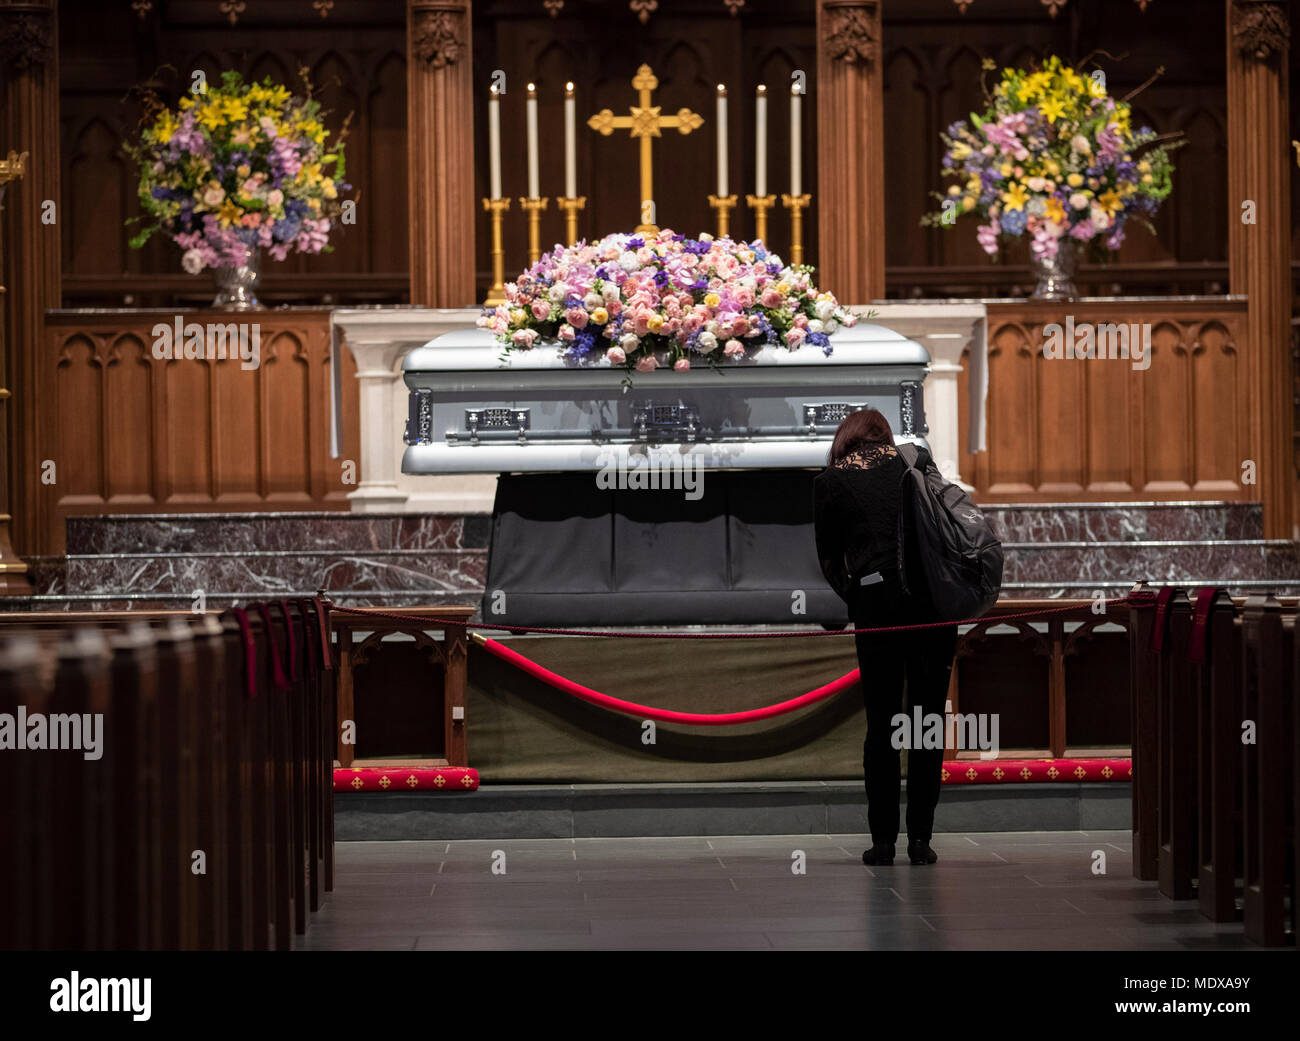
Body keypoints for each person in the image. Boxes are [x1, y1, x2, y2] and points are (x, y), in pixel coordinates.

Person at [813, 409, 958, 867]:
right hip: (934, 606)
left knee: (882, 726)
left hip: (878, 611)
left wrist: (859, 598)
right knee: (926, 722)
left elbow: (831, 561)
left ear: (845, 439)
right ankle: (921, 840)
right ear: (885, 435)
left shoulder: (830, 481)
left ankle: (882, 842)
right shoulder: (916, 461)